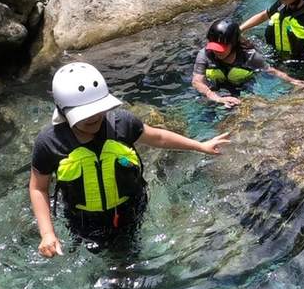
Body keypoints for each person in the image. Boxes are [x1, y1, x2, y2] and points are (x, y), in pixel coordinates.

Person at [29, 62, 230, 256]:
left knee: (129, 253)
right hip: (83, 219)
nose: (94, 118)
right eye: (85, 115)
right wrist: (47, 234)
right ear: (63, 111)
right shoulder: (50, 142)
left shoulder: (122, 123)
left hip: (130, 207)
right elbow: (38, 188)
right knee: (97, 255)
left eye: (98, 110)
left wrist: (200, 146)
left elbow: (158, 137)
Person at [191, 18, 304, 108]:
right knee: (206, 108)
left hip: (243, 84)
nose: (217, 51)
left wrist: (296, 82)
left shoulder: (250, 56)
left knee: (247, 106)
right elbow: (197, 81)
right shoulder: (205, 54)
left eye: (221, 48)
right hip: (216, 86)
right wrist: (216, 97)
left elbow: (271, 71)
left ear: (233, 43)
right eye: (214, 47)